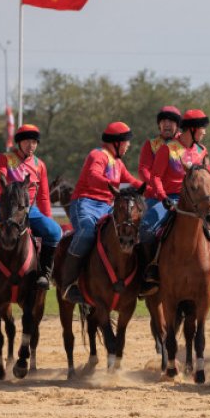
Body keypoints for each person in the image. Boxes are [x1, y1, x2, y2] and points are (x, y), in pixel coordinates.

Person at [141, 109, 210, 291]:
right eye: (202, 129)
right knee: (146, 227)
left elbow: (209, 179)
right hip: (172, 197)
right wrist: (163, 198)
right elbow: (156, 177)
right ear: (192, 130)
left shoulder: (202, 150)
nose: (205, 132)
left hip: (199, 199)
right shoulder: (167, 149)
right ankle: (151, 270)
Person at [0, 124, 62, 290]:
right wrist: (11, 198)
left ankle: (45, 274)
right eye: (27, 142)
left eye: (34, 142)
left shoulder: (40, 165)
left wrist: (47, 217)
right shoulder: (5, 158)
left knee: (54, 231)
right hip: (2, 206)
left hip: (29, 209)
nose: (31, 145)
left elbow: (44, 196)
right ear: (19, 143)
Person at [60, 122, 143, 305]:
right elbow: (93, 175)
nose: (128, 146)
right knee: (86, 233)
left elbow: (129, 180)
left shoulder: (117, 162)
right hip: (85, 203)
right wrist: (112, 186)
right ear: (117, 142)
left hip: (107, 206)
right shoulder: (97, 155)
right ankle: (68, 284)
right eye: (126, 142)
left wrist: (148, 188)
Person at [138, 106, 182, 187]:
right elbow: (143, 170)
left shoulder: (185, 143)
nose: (167, 124)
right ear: (159, 125)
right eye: (163, 121)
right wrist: (156, 186)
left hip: (183, 192)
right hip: (157, 193)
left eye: (171, 121)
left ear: (177, 125)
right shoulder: (150, 145)